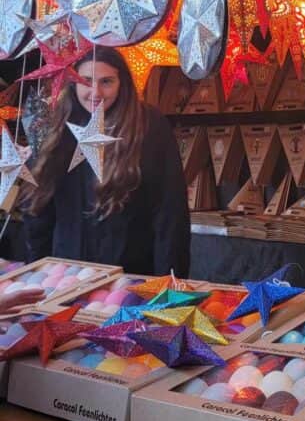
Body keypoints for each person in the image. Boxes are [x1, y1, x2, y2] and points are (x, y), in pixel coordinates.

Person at [23, 47, 190, 276]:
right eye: (87, 80)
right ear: (73, 82)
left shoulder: (149, 125)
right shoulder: (55, 124)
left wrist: (171, 281)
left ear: (122, 83)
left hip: (131, 272)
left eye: (106, 82)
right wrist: (37, 274)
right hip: (65, 273)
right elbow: (39, 207)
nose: (96, 92)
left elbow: (170, 211)